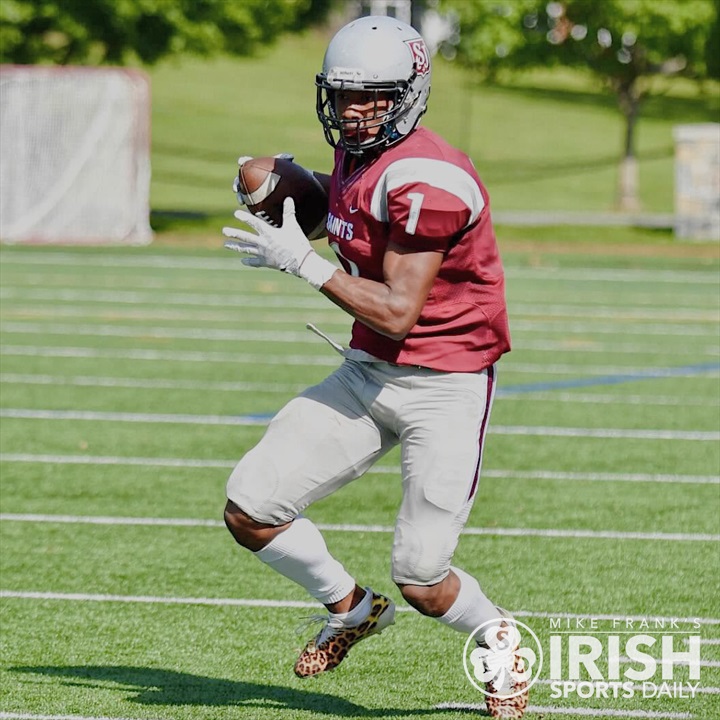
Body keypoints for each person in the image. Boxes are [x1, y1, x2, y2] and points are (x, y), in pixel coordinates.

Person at [221, 15, 528, 719]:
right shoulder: (361, 156)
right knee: (251, 508)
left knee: (422, 577)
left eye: (376, 97)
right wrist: (281, 194)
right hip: (368, 371)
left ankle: (496, 634)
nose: (356, 112)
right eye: (345, 95)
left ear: (411, 93)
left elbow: (397, 309)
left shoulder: (430, 176)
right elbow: (353, 216)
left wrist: (300, 258)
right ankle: (350, 607)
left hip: (444, 383)